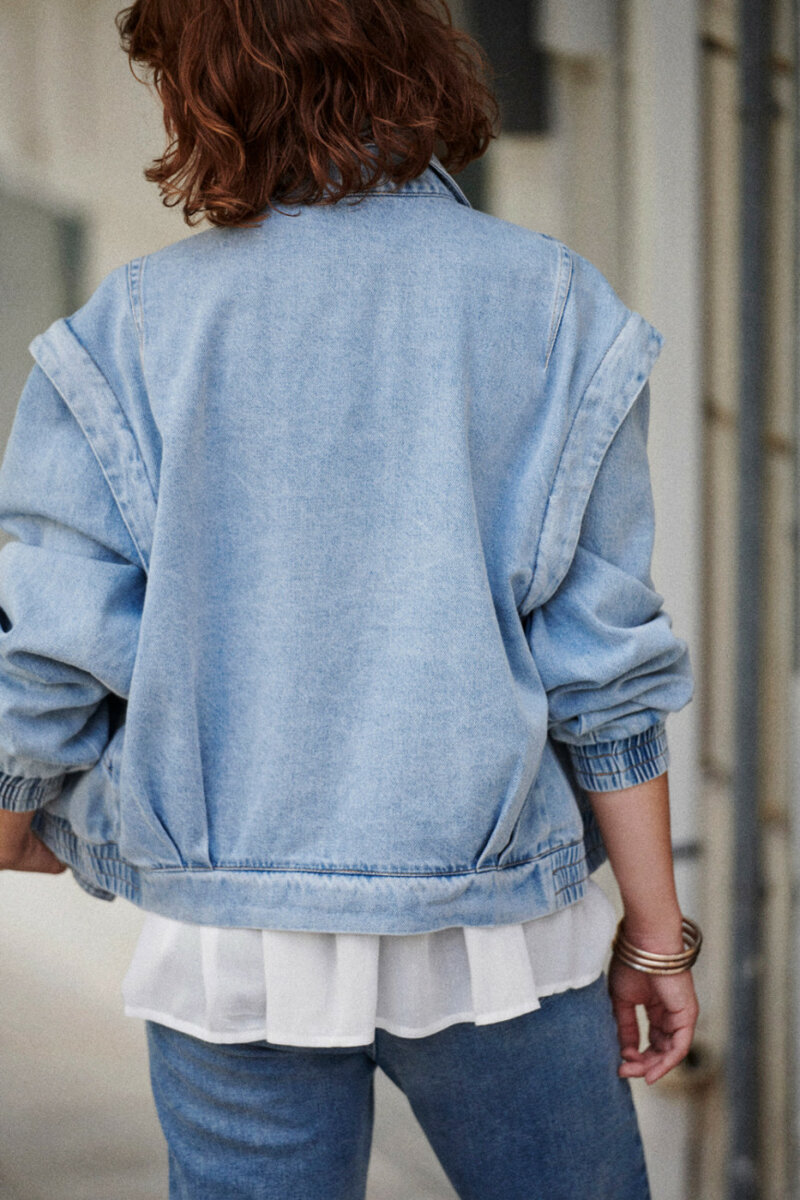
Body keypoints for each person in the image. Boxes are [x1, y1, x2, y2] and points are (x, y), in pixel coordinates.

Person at [0, 1, 700, 1197]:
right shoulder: (550, 306)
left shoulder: (133, 327)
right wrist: (654, 936)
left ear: (205, 90)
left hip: (235, 943)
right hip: (497, 935)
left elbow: (51, 647)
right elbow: (602, 672)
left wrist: (21, 810)